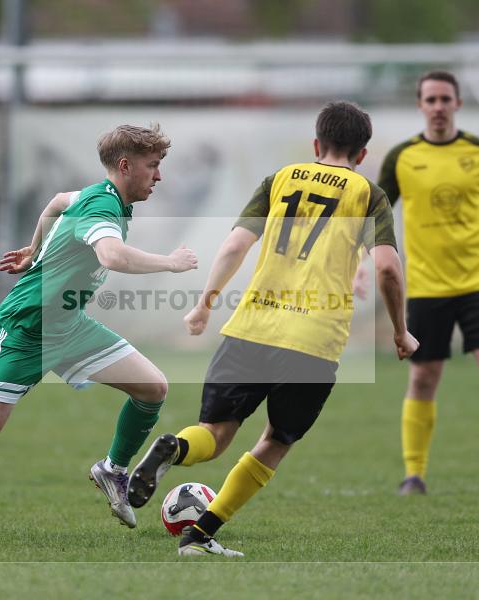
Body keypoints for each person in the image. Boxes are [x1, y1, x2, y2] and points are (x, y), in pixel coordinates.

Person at [0, 123, 198, 542]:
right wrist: (170, 262)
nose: (159, 176)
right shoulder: (101, 208)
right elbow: (112, 255)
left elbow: (57, 202)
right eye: (153, 166)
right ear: (125, 166)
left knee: (153, 388)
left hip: (68, 325)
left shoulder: (102, 198)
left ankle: (113, 470)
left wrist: (33, 250)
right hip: (26, 327)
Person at [126, 101, 418, 557]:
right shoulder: (368, 194)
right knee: (275, 441)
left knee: (215, 432)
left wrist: (205, 305)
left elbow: (235, 244)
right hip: (313, 342)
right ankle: (199, 537)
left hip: (250, 327)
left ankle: (175, 447)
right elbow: (388, 271)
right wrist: (401, 331)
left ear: (316, 145)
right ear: (362, 154)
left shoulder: (280, 180)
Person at [375, 70, 479, 495]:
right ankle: (414, 474)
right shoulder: (402, 157)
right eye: (431, 100)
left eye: (445, 99)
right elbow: (377, 213)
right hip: (424, 286)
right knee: (423, 379)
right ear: (420, 105)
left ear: (458, 103)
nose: (438, 107)